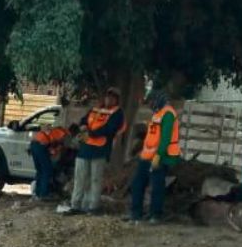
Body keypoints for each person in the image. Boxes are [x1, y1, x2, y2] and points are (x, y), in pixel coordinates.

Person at [66, 90, 127, 214]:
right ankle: (76, 206)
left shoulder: (117, 113)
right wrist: (83, 126)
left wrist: (91, 133)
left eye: (112, 97)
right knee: (80, 179)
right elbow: (84, 120)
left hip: (100, 149)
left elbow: (110, 128)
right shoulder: (95, 109)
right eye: (107, 96)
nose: (108, 99)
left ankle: (93, 207)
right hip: (84, 148)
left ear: (116, 100)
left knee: (95, 179)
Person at [129, 91, 182, 224]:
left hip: (161, 157)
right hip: (147, 156)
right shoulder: (157, 114)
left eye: (151, 102)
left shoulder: (168, 114)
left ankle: (155, 215)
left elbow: (165, 139)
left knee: (157, 186)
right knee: (138, 183)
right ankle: (136, 214)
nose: (150, 105)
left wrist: (158, 157)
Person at [29, 124, 75, 201]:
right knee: (47, 171)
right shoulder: (64, 134)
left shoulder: (57, 130)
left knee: (40, 171)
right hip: (41, 146)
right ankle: (44, 194)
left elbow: (53, 145)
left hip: (34, 145)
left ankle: (38, 193)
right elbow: (64, 146)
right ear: (73, 132)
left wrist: (54, 150)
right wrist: (57, 150)